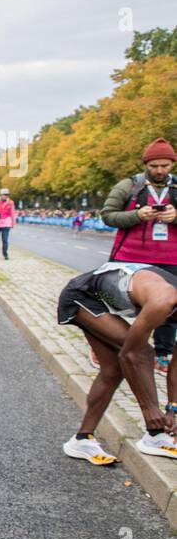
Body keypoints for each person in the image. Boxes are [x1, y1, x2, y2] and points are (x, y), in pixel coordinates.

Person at [58, 261, 177, 464]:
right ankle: (154, 433)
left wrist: (173, 408)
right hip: (81, 295)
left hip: (105, 299)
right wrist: (150, 408)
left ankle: (81, 439)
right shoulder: (163, 299)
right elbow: (129, 355)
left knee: (112, 370)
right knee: (143, 353)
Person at [101, 139, 177, 375]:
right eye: (154, 166)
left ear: (172, 164)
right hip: (129, 257)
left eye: (165, 165)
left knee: (169, 309)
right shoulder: (129, 186)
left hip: (170, 258)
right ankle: (109, 345)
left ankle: (162, 354)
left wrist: (175, 217)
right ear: (146, 164)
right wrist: (136, 215)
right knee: (116, 304)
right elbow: (108, 215)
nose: (160, 171)